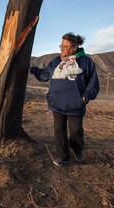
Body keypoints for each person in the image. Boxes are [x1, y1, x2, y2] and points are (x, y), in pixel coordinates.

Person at [30, 32, 100, 166]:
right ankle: (63, 156)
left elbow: (93, 83)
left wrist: (85, 98)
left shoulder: (85, 62)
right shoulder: (57, 61)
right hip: (57, 103)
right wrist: (33, 69)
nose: (62, 49)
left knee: (76, 131)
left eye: (65, 46)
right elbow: (44, 75)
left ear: (74, 47)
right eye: (61, 46)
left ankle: (78, 149)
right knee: (59, 130)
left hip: (76, 104)